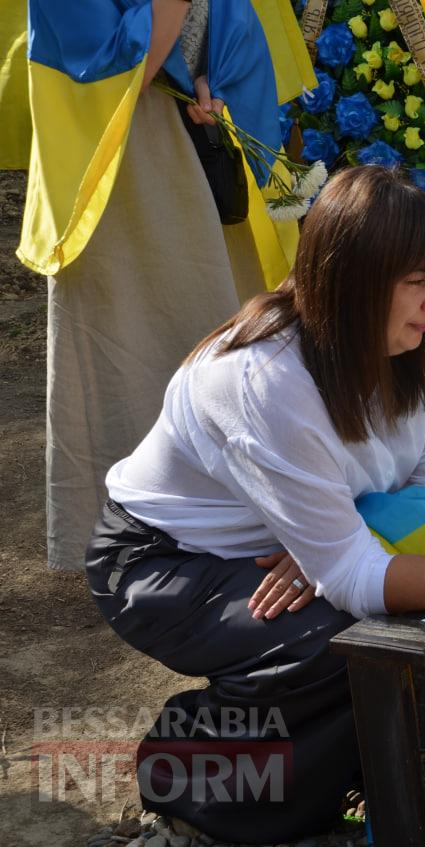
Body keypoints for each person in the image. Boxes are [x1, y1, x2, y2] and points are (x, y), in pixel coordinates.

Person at [85, 165, 425, 843]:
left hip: (292, 551)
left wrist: (356, 532)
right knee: (342, 639)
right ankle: (190, 787)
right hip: (161, 563)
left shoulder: (414, 355)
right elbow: (355, 578)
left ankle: (322, 791)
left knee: (406, 619)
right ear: (353, 282)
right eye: (417, 282)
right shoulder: (264, 380)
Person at [21, 0, 310, 570]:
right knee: (134, 342)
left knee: (222, 332)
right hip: (121, 165)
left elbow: (224, 18)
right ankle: (134, 541)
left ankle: (234, 525)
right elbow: (97, 61)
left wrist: (214, 77)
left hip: (199, 142)